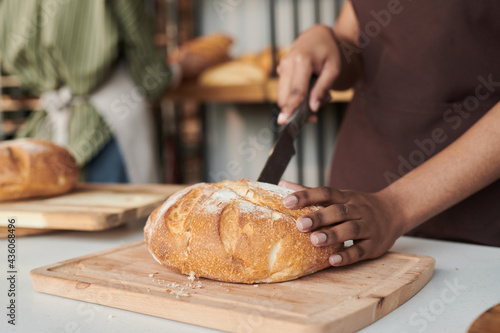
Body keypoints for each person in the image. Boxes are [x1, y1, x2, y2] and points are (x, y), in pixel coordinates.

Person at [276, 0, 500, 267]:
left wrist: (396, 207)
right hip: (356, 218)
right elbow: (358, 39)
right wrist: (329, 41)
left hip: (477, 234)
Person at [0, 1, 205, 183]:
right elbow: (150, 77)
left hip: (48, 135)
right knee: (124, 224)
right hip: (109, 131)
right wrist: (180, 68)